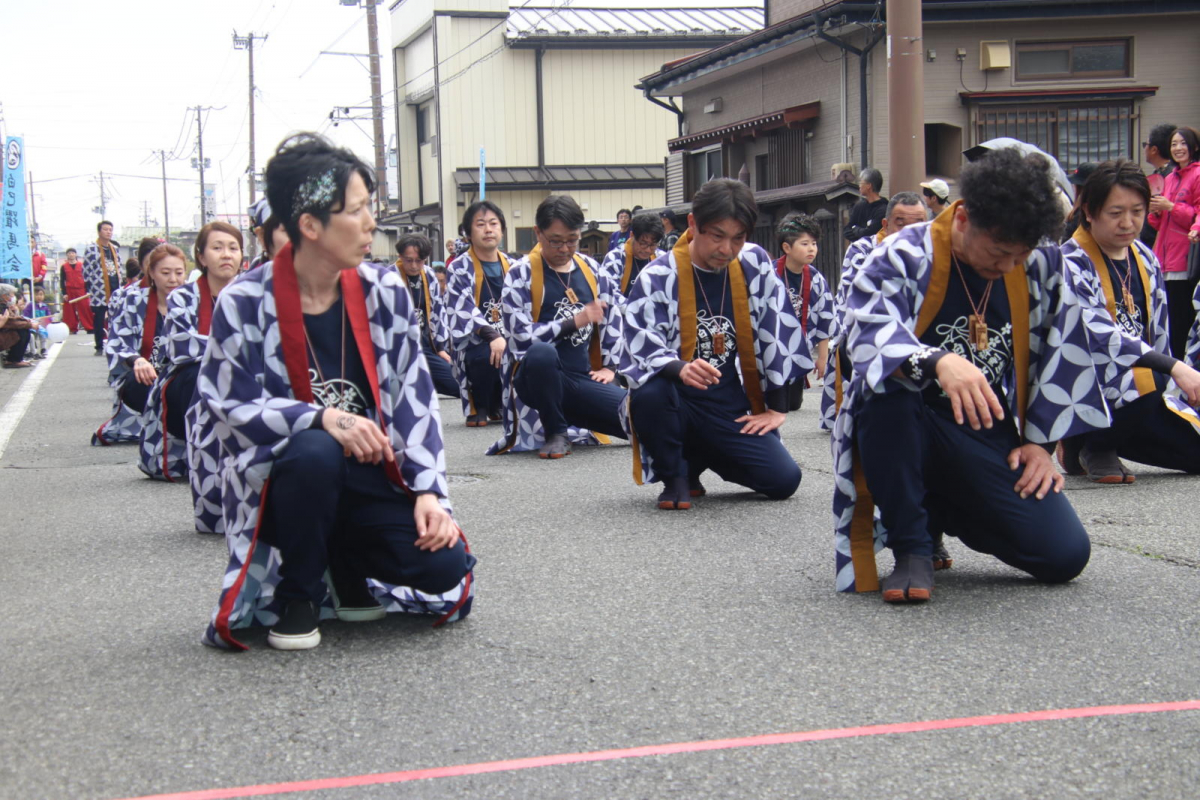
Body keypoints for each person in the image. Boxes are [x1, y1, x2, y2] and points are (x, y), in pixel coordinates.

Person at [197, 133, 475, 651]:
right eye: (358, 209)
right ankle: (298, 594)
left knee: (443, 564)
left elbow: (414, 398)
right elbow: (226, 403)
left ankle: (342, 561)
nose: (372, 222)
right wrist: (323, 417)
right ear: (310, 225)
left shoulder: (384, 290)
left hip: (371, 474)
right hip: (285, 483)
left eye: (370, 207)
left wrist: (429, 492)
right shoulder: (244, 301)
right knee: (316, 448)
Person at [833, 148, 1145, 603]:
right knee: (886, 394)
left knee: (1063, 555)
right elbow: (860, 337)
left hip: (981, 424)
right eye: (999, 252)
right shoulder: (904, 251)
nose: (1007, 267)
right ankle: (912, 545)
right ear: (963, 219)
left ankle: (939, 505)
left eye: (1019, 256)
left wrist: (1039, 445)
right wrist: (936, 360)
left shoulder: (1040, 264)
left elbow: (1063, 352)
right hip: (907, 416)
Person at [620, 178, 810, 509]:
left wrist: (776, 407)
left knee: (783, 480)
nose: (726, 249)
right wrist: (679, 367)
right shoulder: (659, 273)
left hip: (727, 403)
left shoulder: (754, 262)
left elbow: (774, 326)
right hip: (675, 398)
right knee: (649, 395)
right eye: (717, 236)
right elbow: (638, 340)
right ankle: (676, 475)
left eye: (738, 238)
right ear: (693, 224)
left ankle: (701, 452)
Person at [1057, 160, 1200, 483]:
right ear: (1089, 212)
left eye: (1137, 211)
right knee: (1146, 376)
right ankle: (1094, 442)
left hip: (1143, 389)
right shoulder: (1068, 261)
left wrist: (1176, 383)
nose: (1128, 223)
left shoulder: (1144, 256)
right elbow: (1097, 334)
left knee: (1195, 454)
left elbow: (1159, 332)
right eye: (1115, 212)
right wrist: (1173, 367)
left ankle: (1104, 439)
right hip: (1086, 382)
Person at [492, 194, 627, 458]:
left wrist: (610, 368)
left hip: (580, 379)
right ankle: (556, 432)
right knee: (542, 354)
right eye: (556, 241)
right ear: (538, 234)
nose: (565, 248)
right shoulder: (520, 274)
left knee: (644, 417)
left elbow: (613, 318)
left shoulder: (591, 269)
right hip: (535, 379)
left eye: (572, 240)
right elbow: (520, 338)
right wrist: (574, 321)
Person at [136, 223, 243, 489]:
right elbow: (182, 344)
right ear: (202, 257)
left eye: (233, 248)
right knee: (203, 377)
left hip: (244, 374)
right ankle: (210, 461)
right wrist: (238, 348)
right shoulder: (183, 296)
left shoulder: (256, 293)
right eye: (217, 248)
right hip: (191, 378)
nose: (226, 254)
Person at [819, 193, 928, 432]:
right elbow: (852, 299)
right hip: (871, 328)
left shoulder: (934, 255)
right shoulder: (864, 249)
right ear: (886, 225)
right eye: (901, 224)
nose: (910, 231)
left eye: (918, 223)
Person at [93, 244, 187, 447]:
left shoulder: (192, 302)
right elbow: (118, 343)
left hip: (180, 377)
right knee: (142, 382)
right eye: (165, 272)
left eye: (179, 273)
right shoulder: (133, 300)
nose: (173, 279)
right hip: (144, 375)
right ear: (151, 273)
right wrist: (137, 360)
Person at [444, 201, 511, 426]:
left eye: (494, 224)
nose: (488, 230)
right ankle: (480, 404)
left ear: (501, 229)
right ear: (468, 233)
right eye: (480, 224)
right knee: (484, 355)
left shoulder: (515, 266)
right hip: (476, 339)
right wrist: (493, 336)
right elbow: (460, 308)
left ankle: (503, 403)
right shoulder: (458, 267)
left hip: (509, 334)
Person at [1148, 126, 1200, 359]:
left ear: (1194, 147)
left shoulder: (1198, 175)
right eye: (1174, 144)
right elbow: (1158, 224)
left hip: (1184, 257)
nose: (1178, 148)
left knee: (1181, 317)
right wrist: (1156, 211)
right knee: (1167, 317)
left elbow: (1196, 214)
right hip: (1164, 256)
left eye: (1183, 143)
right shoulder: (1168, 177)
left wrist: (1171, 207)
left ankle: (1183, 364)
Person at [773, 212, 833, 408]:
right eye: (805, 243)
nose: (811, 249)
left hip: (800, 350)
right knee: (775, 402)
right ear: (787, 248)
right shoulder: (769, 274)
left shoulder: (816, 279)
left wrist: (822, 357)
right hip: (772, 350)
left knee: (793, 404)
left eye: (814, 243)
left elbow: (825, 317)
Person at [397, 233, 459, 399]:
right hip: (398, 349)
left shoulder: (430, 275)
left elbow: (439, 312)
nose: (414, 265)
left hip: (424, 345)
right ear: (400, 256)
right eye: (409, 260)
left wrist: (440, 348)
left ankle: (424, 380)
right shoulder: (389, 277)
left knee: (458, 384)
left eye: (420, 260)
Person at [598, 212, 665, 305]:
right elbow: (610, 293)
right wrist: (638, 311)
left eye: (653, 245)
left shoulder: (661, 258)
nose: (648, 250)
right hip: (623, 315)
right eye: (643, 243)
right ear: (632, 235)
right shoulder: (615, 258)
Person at [83, 220, 123, 356]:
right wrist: (89, 285)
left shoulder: (114, 248)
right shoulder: (91, 248)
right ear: (99, 231)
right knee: (99, 317)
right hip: (99, 288)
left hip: (114, 286)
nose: (108, 232)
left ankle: (115, 342)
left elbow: (119, 266)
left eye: (110, 230)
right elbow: (87, 269)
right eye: (106, 229)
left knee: (115, 316)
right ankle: (99, 344)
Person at [1140, 122, 1177, 249]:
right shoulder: (1160, 174)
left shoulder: (1173, 176)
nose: (1144, 149)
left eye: (1145, 145)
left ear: (1154, 149)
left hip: (1162, 247)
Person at [843, 168, 888, 242]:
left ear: (869, 186)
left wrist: (856, 230)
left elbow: (871, 233)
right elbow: (847, 230)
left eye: (861, 182)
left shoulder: (883, 209)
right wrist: (861, 231)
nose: (859, 186)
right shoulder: (859, 206)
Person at [59, 248, 94, 334]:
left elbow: (87, 278)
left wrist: (88, 290)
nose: (71, 255)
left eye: (73, 253)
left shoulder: (82, 265)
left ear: (76, 254)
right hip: (69, 290)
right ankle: (71, 328)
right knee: (69, 311)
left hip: (81, 290)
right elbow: (62, 280)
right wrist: (64, 293)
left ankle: (90, 327)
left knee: (85, 308)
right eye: (69, 253)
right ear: (67, 255)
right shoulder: (64, 267)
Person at [0, 284, 34, 369]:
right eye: (11, 294)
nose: (13, 297)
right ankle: (12, 360)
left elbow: (12, 319)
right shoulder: (1, 307)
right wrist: (30, 324)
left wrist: (15, 312)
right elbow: (10, 322)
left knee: (24, 330)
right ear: (4, 296)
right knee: (21, 331)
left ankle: (17, 359)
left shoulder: (5, 306)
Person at [22, 287, 51, 359]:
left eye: (41, 294)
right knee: (32, 337)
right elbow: (25, 315)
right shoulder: (30, 305)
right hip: (33, 325)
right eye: (37, 295)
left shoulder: (45, 306)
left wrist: (49, 320)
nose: (39, 296)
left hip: (41, 325)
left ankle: (43, 349)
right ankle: (32, 351)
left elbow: (49, 315)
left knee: (43, 336)